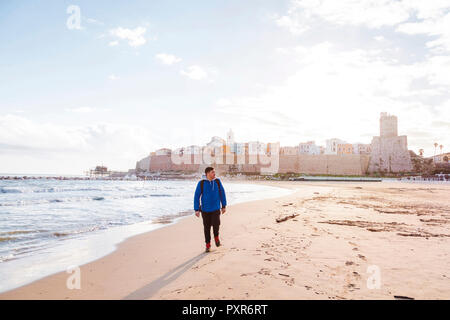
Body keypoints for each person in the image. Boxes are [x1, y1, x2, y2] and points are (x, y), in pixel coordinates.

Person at [194, 167, 227, 252]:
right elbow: (197, 196)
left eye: (214, 172)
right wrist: (196, 209)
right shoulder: (201, 183)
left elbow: (222, 193)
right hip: (205, 210)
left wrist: (223, 205)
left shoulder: (217, 181)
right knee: (206, 228)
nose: (214, 174)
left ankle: (216, 237)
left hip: (216, 208)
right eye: (213, 172)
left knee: (216, 224)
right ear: (207, 173)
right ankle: (208, 245)